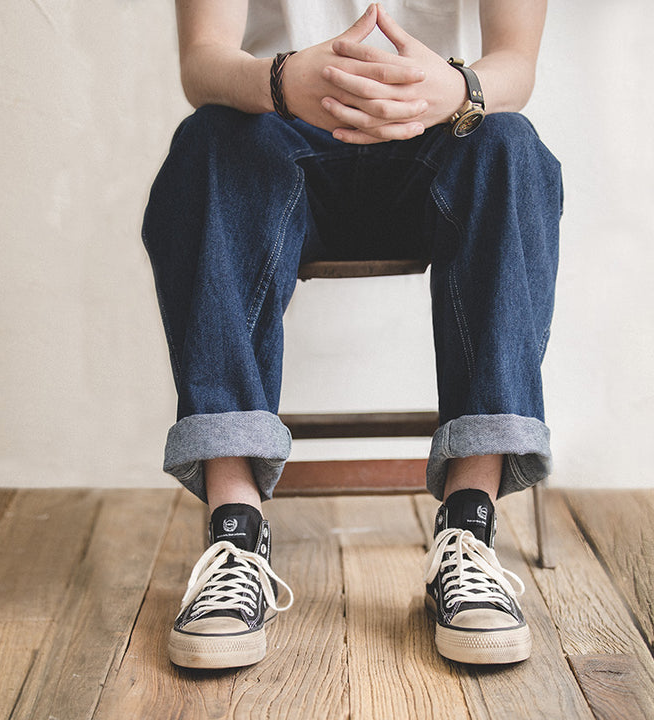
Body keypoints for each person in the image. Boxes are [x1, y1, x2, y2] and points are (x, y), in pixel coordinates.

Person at [142, 0, 562, 669]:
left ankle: (469, 523)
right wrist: (280, 82)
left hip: (432, 142)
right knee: (208, 142)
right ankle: (236, 528)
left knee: (510, 145)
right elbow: (203, 63)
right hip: (277, 141)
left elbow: (516, 61)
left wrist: (459, 88)